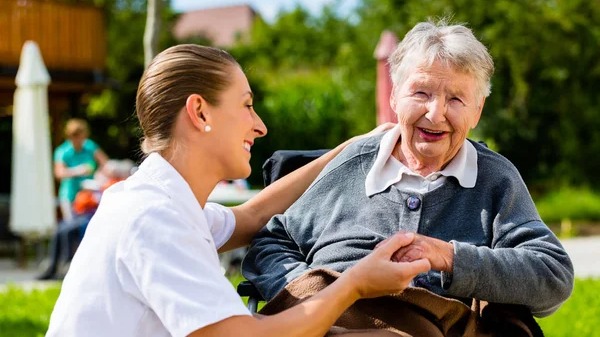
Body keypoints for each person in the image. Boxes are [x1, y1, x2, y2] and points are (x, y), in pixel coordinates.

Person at [45, 44, 431, 337]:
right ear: (200, 112)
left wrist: (348, 150)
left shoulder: (155, 199)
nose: (260, 126)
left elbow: (251, 217)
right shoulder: (153, 218)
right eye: (246, 106)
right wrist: (357, 283)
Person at [242, 19, 574, 324]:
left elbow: (552, 275)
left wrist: (448, 257)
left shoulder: (494, 180)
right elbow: (271, 241)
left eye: (456, 99)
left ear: (477, 111)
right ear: (396, 97)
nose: (436, 113)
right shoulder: (354, 163)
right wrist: (309, 295)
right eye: (421, 93)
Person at [53, 118, 109, 220]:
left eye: (81, 136)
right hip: (70, 196)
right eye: (76, 136)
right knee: (72, 228)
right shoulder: (62, 151)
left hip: (88, 195)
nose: (79, 140)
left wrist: (99, 174)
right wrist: (78, 171)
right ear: (70, 136)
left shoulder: (90, 146)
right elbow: (59, 173)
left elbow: (105, 163)